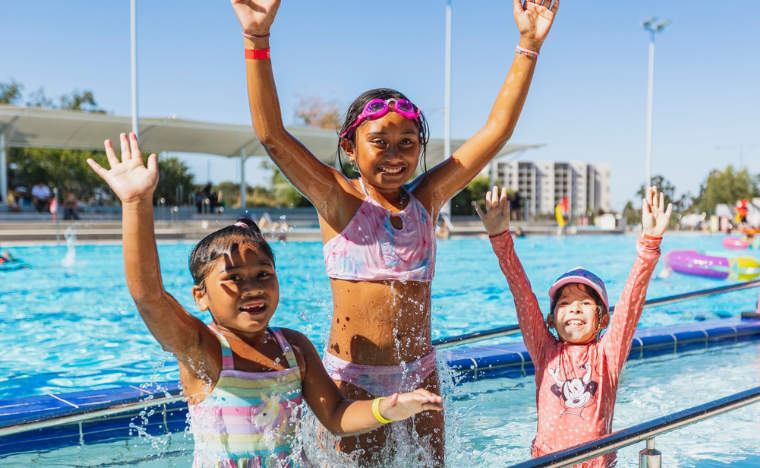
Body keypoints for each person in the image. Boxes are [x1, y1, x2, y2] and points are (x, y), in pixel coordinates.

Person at [229, 0, 559, 462]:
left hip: (419, 375)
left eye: (408, 143)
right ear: (350, 146)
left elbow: (496, 133)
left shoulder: (427, 199)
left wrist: (528, 45)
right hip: (353, 380)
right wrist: (256, 39)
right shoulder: (338, 200)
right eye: (379, 142)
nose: (395, 154)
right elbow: (272, 137)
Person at [86, 133, 443, 468]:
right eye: (233, 280)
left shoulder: (294, 348)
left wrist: (388, 408)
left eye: (263, 275)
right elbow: (148, 296)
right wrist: (135, 203)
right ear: (201, 297)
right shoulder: (204, 350)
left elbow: (335, 417)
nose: (252, 288)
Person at [475, 185, 671, 467]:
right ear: (552, 319)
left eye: (585, 302)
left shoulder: (607, 355)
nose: (575, 307)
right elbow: (521, 292)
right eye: (565, 303)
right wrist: (500, 238)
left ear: (603, 318)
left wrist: (649, 243)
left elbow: (631, 304)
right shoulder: (545, 350)